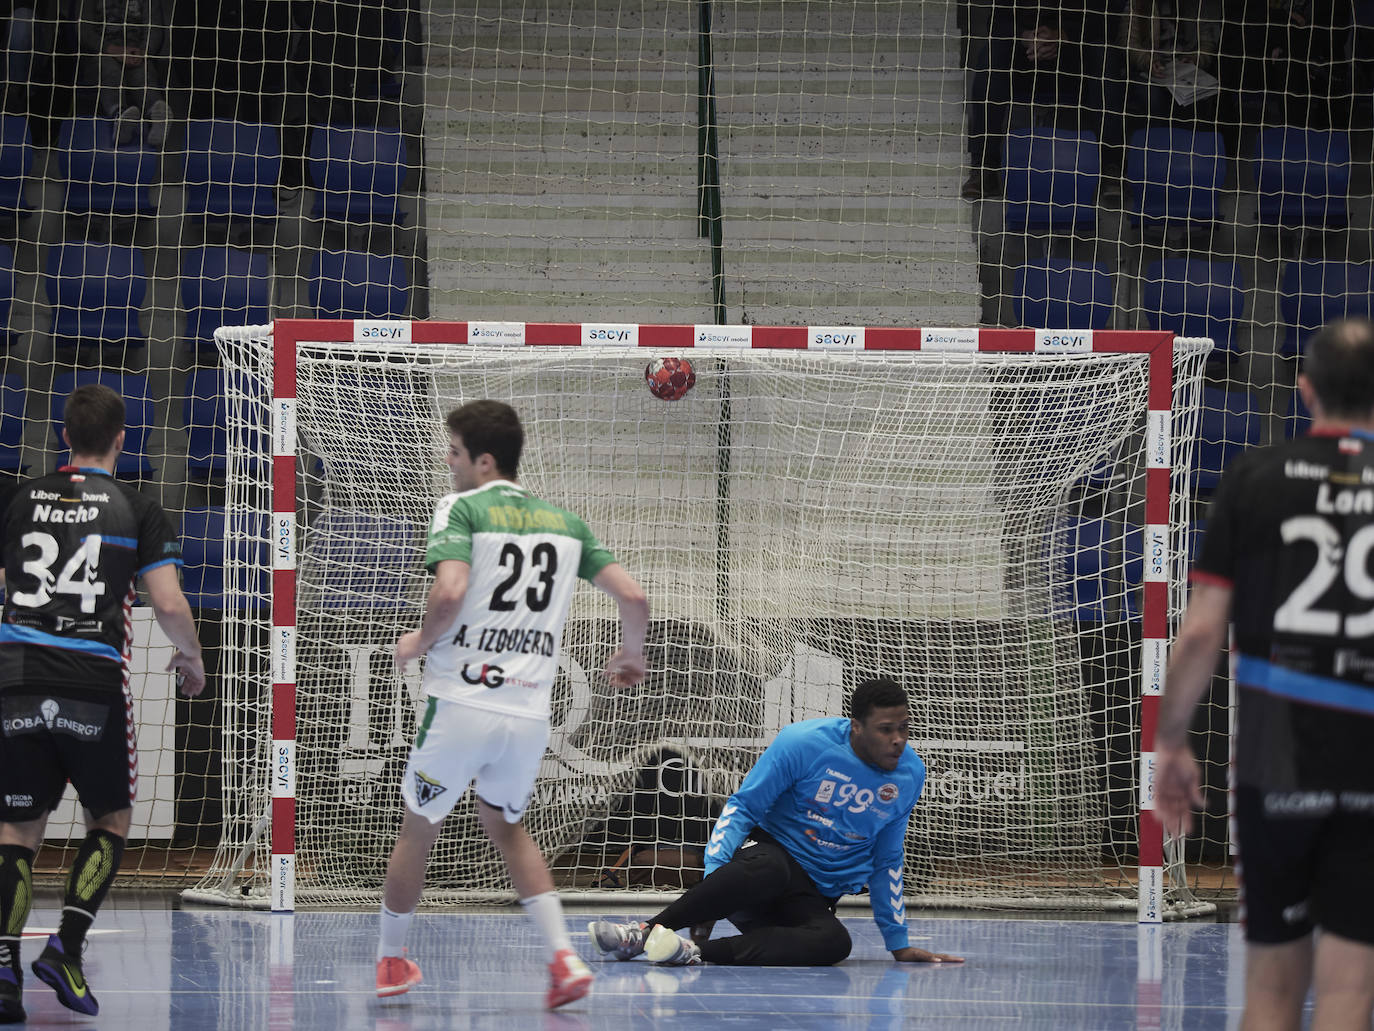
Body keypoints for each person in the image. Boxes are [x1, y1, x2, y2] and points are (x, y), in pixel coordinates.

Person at [376, 399, 649, 1009]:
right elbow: (634, 597)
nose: (447, 463)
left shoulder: (461, 507)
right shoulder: (565, 522)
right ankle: (563, 960)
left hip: (461, 701)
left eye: (453, 452)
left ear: (484, 461)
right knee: (507, 826)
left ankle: (391, 961)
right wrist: (631, 655)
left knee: (418, 830)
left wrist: (418, 642)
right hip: (527, 713)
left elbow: (449, 591)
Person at [1156, 318, 1374, 1031]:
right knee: (1350, 992)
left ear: (1305, 387)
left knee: (1274, 992)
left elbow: (1199, 631)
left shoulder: (1255, 478)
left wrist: (1172, 742)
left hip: (1278, 747)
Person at [0, 383, 206, 1023]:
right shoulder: (137, 508)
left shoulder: (17, 497)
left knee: (15, 829)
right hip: (92, 683)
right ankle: (66, 947)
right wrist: (192, 658)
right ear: (122, 440)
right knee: (111, 819)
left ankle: (4, 972)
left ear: (64, 437)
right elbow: (167, 604)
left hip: (17, 679)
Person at [589, 678, 964, 968]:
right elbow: (743, 807)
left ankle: (689, 952)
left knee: (834, 943)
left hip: (811, 897)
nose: (898, 740)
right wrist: (714, 891)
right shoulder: (803, 743)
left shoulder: (910, 774)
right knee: (769, 865)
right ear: (856, 727)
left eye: (904, 727)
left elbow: (886, 860)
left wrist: (898, 944)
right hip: (761, 868)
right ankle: (643, 933)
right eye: (886, 729)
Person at [77, 0, 171, 147]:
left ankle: (157, 113)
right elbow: (83, 31)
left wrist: (143, 53)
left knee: (143, 74)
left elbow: (155, 29)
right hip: (104, 52)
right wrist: (113, 50)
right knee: (109, 70)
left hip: (137, 52)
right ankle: (120, 117)